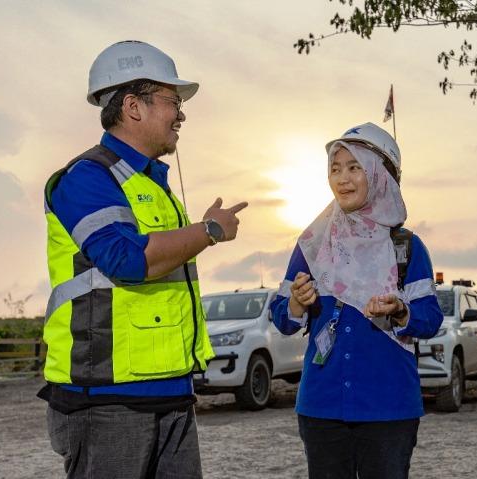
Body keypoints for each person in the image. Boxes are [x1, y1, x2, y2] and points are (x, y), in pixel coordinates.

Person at [39, 40, 248, 478]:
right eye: (173, 101)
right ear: (133, 106)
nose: (182, 114)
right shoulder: (86, 179)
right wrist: (208, 231)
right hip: (108, 400)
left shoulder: (154, 186)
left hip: (171, 391)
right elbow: (128, 260)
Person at [269, 123, 443, 479]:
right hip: (321, 406)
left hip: (389, 408)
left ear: (380, 176)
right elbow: (282, 316)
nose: (342, 178)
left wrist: (400, 311)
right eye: (335, 168)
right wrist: (297, 306)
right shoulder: (314, 243)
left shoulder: (406, 246)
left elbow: (429, 317)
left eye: (354, 167)